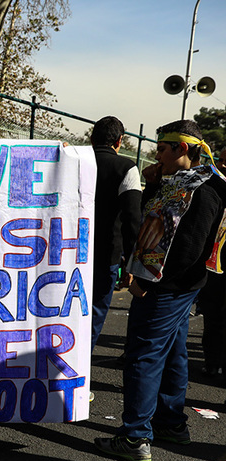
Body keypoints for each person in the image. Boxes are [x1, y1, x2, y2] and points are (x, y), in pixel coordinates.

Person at [94, 120, 226, 461]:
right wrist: (154, 182)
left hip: (167, 288)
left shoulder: (204, 190)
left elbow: (188, 249)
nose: (157, 154)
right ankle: (170, 422)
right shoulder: (186, 180)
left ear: (183, 149)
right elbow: (162, 222)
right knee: (173, 352)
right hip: (177, 288)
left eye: (162, 148)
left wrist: (146, 283)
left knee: (143, 357)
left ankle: (135, 436)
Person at [89, 117, 142, 351]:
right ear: (120, 140)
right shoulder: (126, 168)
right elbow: (132, 220)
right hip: (106, 254)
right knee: (94, 314)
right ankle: (79, 374)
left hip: (66, 252)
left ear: (92, 137)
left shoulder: (76, 161)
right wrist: (132, 265)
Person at [199, 147, 226, 379]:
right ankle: (212, 362)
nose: (223, 165)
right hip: (213, 265)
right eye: (221, 160)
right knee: (212, 314)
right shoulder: (213, 187)